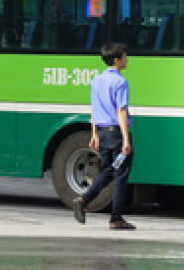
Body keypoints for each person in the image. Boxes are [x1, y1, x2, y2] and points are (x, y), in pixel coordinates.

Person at [72, 41, 135, 230]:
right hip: (116, 135)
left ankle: (84, 200)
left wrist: (94, 134)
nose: (127, 59)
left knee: (110, 171)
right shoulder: (120, 81)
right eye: (124, 56)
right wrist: (125, 139)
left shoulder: (97, 80)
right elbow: (121, 111)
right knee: (120, 175)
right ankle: (116, 218)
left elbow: (93, 108)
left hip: (103, 134)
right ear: (117, 60)